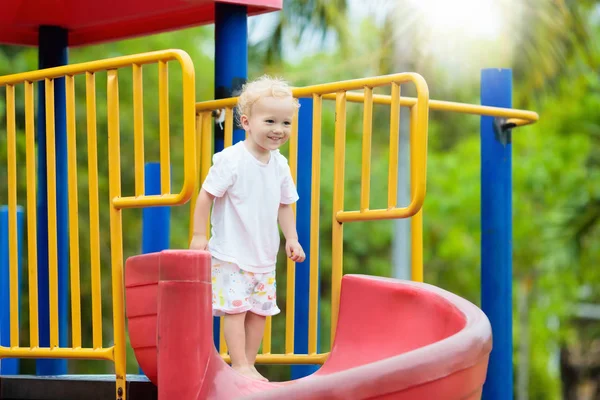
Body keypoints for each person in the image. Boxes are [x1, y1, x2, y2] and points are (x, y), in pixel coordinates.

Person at [189, 75, 306, 381]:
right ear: (246, 122)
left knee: (260, 311)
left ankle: (248, 366)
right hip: (231, 253)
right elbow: (206, 195)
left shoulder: (280, 164)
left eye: (286, 123)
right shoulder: (232, 160)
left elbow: (284, 204)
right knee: (236, 310)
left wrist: (291, 238)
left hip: (264, 254)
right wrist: (199, 235)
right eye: (270, 121)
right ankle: (238, 363)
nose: (278, 130)